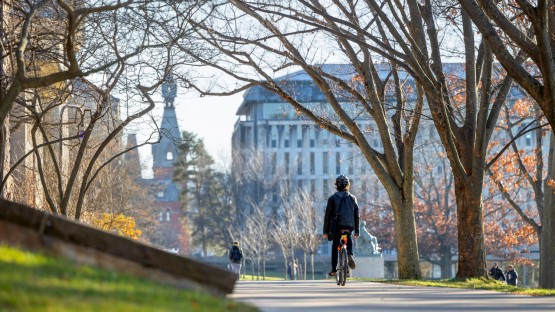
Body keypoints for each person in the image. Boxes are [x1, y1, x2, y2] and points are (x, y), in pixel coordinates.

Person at [322, 175, 360, 277]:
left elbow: (327, 216)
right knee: (348, 238)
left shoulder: (332, 198)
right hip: (348, 225)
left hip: (336, 226)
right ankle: (350, 254)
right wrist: (357, 231)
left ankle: (334, 270)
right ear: (347, 185)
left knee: (335, 246)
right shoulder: (353, 198)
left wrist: (325, 232)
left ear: (336, 186)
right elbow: (356, 215)